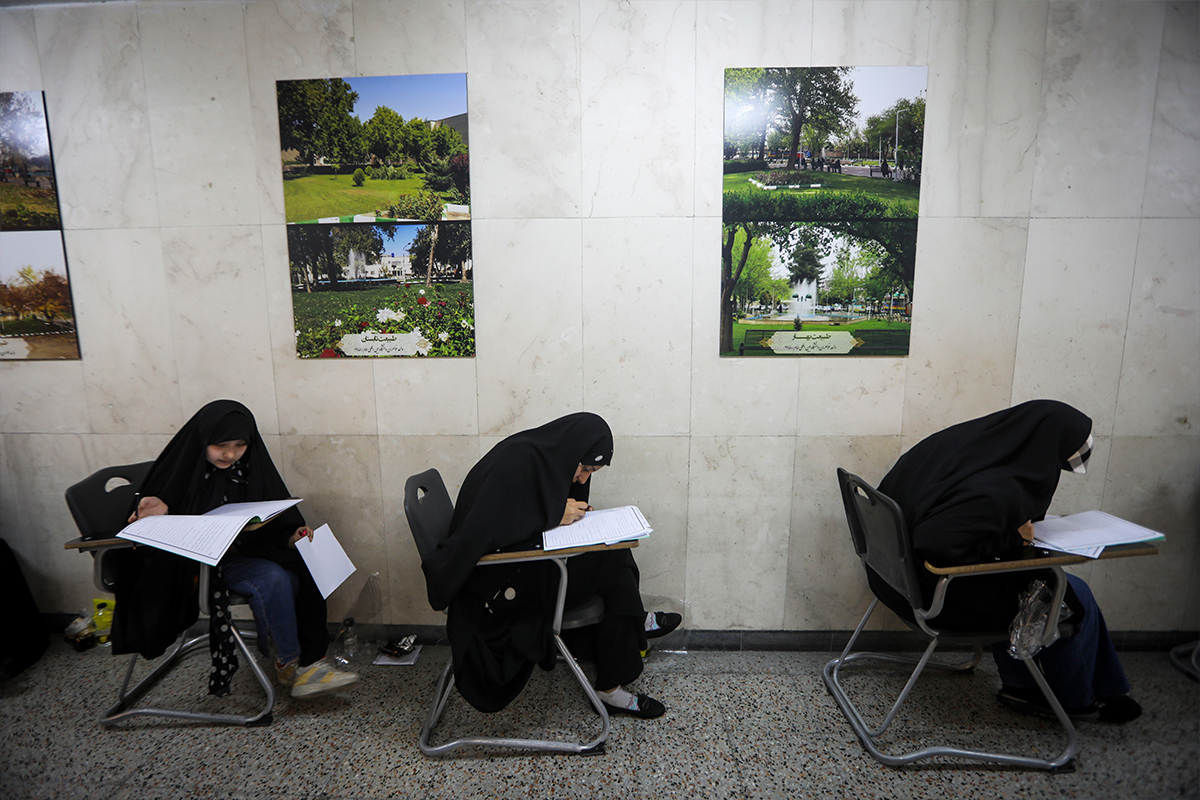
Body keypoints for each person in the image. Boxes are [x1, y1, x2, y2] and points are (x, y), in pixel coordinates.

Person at [873, 399, 1140, 723]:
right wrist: (1015, 537)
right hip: (933, 599)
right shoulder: (999, 488)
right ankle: (1076, 699)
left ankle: (1023, 685)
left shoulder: (957, 447)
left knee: (1025, 579)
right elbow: (934, 541)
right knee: (1071, 592)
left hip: (892, 580)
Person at [421, 412, 679, 719]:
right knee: (615, 562)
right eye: (584, 468)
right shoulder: (517, 463)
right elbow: (485, 533)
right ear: (572, 450)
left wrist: (561, 512)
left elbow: (518, 515)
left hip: (523, 567)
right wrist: (553, 513)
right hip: (498, 587)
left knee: (615, 557)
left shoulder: (539, 457)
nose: (583, 479)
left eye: (591, 473)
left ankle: (628, 645)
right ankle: (615, 678)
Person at [110, 399, 358, 699]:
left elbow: (272, 519)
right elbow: (146, 531)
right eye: (221, 445)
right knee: (274, 578)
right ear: (202, 440)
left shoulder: (249, 468)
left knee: (304, 563)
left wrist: (292, 536)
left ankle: (314, 660)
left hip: (242, 555)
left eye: (240, 445)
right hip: (196, 566)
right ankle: (290, 664)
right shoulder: (179, 473)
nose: (230, 454)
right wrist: (161, 510)